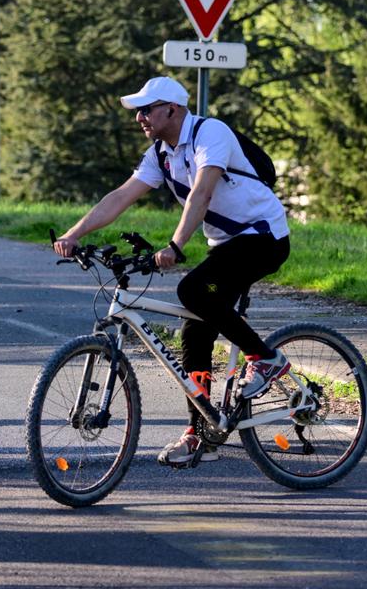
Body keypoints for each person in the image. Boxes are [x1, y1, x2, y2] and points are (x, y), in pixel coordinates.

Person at [54, 76, 291, 467]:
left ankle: (265, 359)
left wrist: (176, 246)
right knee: (195, 327)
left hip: (263, 237)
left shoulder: (209, 132)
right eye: (138, 112)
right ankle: (201, 430)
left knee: (193, 292)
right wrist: (73, 234)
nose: (139, 118)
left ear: (172, 108)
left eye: (146, 110)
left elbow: (202, 193)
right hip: (228, 245)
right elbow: (120, 197)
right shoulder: (161, 154)